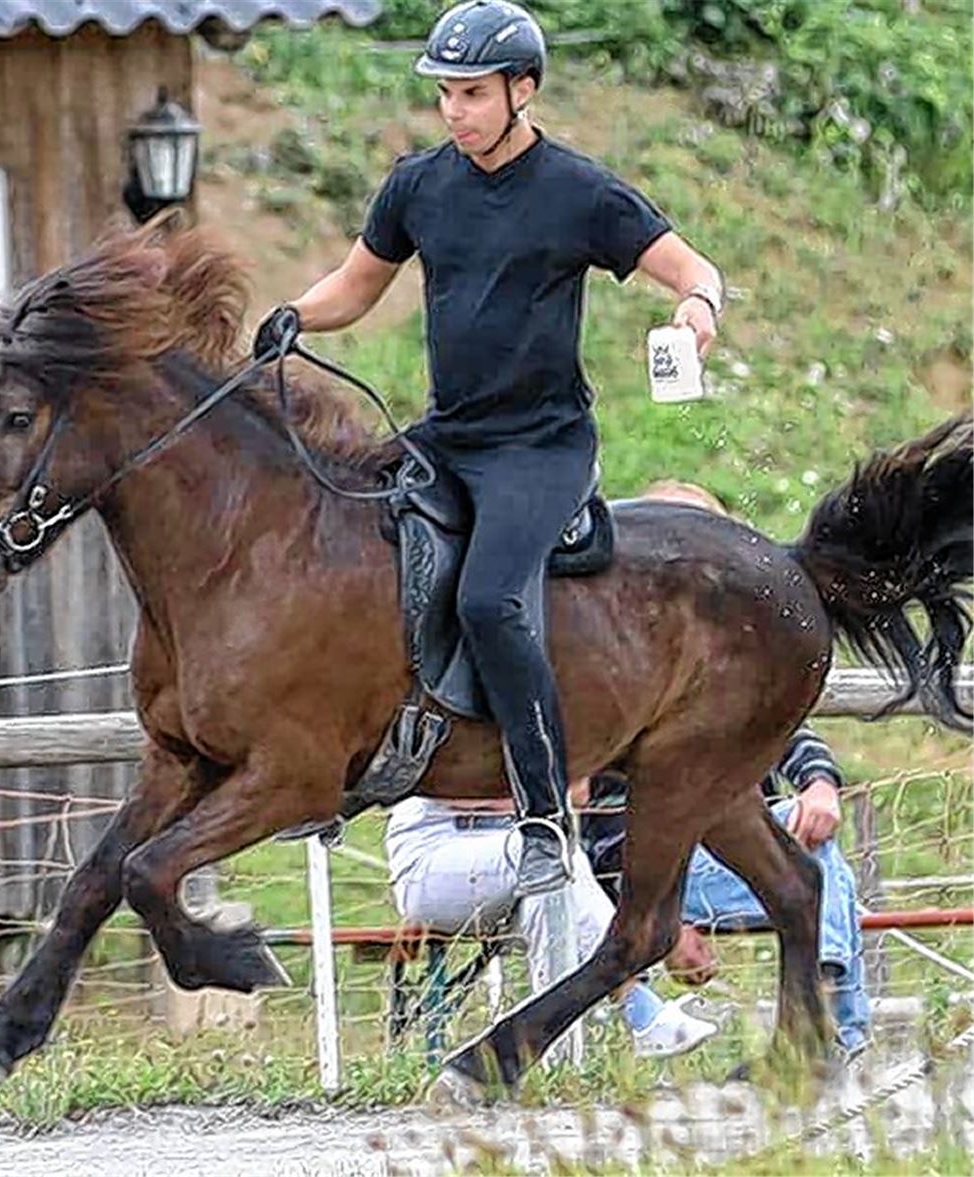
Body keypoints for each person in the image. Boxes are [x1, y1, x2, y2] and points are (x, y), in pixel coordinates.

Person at [251, 0, 725, 898]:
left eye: (472, 93)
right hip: (448, 438)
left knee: (491, 600)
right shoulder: (418, 186)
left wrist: (697, 312)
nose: (455, 111)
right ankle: (343, 766)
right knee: (352, 552)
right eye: (444, 95)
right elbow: (355, 287)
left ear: (523, 89)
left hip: (539, 449)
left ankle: (545, 811)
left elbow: (692, 270)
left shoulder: (580, 192)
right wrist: (293, 315)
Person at [581, 480, 872, 1056]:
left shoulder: (737, 661)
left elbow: (787, 734)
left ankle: (835, 1030)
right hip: (647, 867)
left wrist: (818, 782)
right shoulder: (618, 667)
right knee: (806, 868)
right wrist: (654, 906)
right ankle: (837, 1032)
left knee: (810, 854)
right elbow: (601, 827)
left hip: (716, 853)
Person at [386, 789, 719, 1059]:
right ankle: (640, 1005)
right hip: (437, 859)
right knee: (552, 853)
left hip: (510, 862)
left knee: (547, 898)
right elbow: (454, 788)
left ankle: (547, 1061)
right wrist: (538, 789)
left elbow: (578, 790)